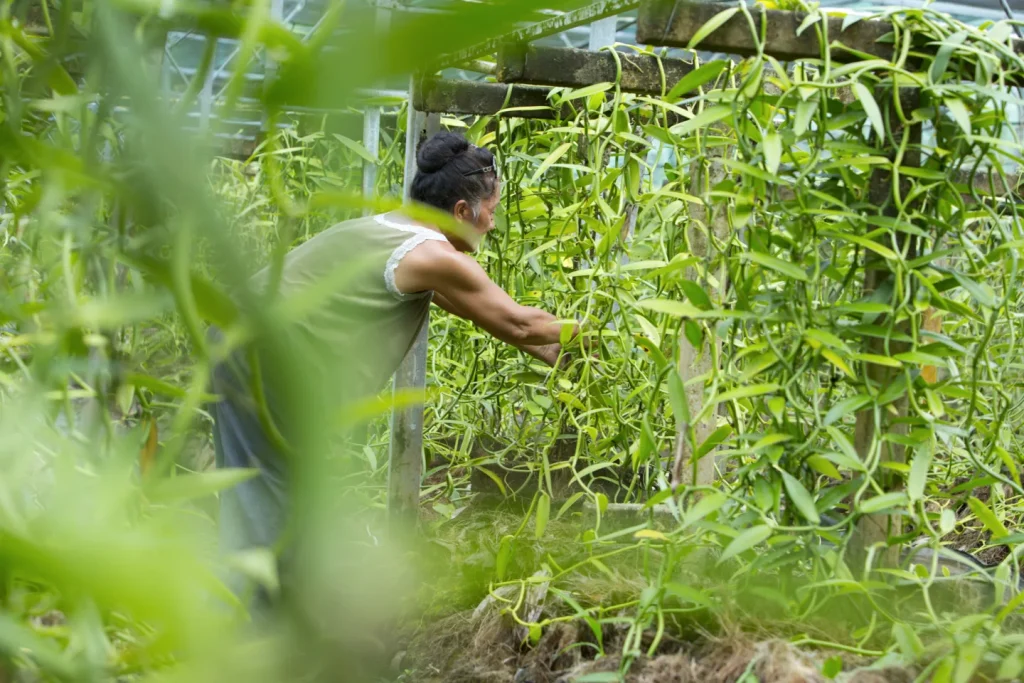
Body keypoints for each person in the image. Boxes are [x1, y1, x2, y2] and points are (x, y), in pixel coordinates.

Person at [208, 131, 582, 607]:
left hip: (240, 338)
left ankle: (272, 625)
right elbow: (520, 321)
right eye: (491, 211)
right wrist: (604, 331)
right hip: (263, 358)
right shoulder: (433, 256)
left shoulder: (398, 230)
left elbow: (490, 318)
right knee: (273, 503)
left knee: (271, 496)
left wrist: (557, 357)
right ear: (463, 211)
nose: (493, 224)